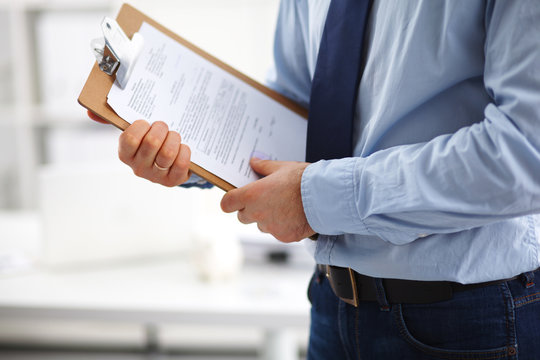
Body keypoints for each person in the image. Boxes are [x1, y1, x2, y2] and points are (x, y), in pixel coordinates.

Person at [89, 0, 540, 358]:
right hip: (332, 304)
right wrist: (195, 154)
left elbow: (526, 151)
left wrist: (312, 199)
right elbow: (300, 110)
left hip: (467, 320)